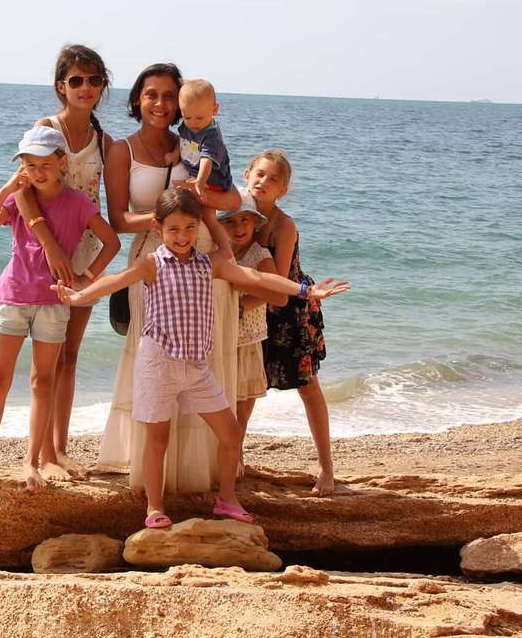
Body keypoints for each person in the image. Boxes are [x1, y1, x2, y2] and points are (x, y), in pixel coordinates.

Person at [53, 188, 349, 527]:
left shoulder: (211, 264)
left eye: (190, 228)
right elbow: (115, 281)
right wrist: (77, 298)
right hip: (158, 365)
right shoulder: (152, 263)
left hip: (196, 368)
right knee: (157, 440)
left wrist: (305, 290)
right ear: (158, 227)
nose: (182, 236)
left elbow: (256, 277)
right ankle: (154, 508)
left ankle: (227, 501)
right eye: (174, 229)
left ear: (199, 226)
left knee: (231, 435)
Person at [98, 63, 242, 494]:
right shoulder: (122, 150)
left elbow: (233, 199)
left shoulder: (193, 140)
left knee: (203, 363)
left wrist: (196, 201)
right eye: (151, 94)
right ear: (137, 100)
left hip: (202, 260)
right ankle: (156, 481)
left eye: (167, 96)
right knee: (155, 367)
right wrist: (166, 217)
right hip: (153, 261)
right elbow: (118, 219)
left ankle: (204, 473)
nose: (159, 103)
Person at [0, 126, 119, 503]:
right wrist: (7, 188)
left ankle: (31, 462)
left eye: (46, 164)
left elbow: (111, 241)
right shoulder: (18, 199)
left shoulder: (77, 203)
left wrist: (86, 277)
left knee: (42, 382)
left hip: (53, 304)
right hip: (13, 297)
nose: (38, 172)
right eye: (30, 165)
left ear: (62, 163)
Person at [13, 44, 113, 478]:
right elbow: (21, 190)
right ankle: (40, 455)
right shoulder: (45, 128)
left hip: (86, 254)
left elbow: (109, 210)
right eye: (76, 80)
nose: (85, 87)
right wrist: (51, 247)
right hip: (46, 255)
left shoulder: (105, 142)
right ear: (61, 86)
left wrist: (93, 272)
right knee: (46, 362)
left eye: (94, 80)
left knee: (70, 355)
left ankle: (59, 450)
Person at [246, 150, 336, 496]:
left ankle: (326, 468)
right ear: (247, 174)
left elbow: (279, 285)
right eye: (259, 174)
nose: (263, 182)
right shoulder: (237, 213)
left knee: (308, 387)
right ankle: (233, 460)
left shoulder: (284, 226)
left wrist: (237, 308)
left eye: (273, 179)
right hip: (255, 308)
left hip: (289, 311)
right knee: (245, 388)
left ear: (283, 190)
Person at [217, 195, 284, 479]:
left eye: (245, 220)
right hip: (221, 338)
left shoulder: (260, 255)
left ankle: (236, 456)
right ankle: (219, 455)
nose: (238, 227)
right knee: (221, 404)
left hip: (247, 339)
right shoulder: (221, 253)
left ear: (256, 223)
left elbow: (278, 295)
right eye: (230, 222)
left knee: (241, 409)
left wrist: (242, 303)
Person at [164, 79, 233, 258]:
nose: (193, 123)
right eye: (187, 117)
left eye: (199, 118)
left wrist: (200, 181)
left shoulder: (211, 135)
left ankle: (225, 248)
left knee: (209, 216)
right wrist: (175, 153)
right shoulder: (187, 126)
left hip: (214, 179)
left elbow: (206, 160)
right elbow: (183, 142)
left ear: (214, 109)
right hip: (198, 175)